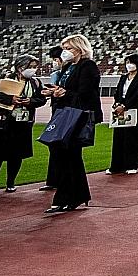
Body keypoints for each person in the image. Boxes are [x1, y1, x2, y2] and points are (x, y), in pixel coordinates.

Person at [42, 33, 104, 214]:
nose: (65, 52)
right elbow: (68, 90)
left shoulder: (88, 66)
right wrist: (54, 92)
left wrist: (64, 93)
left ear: (79, 48)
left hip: (78, 116)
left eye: (68, 48)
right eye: (64, 48)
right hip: (65, 114)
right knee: (65, 156)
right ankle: (75, 195)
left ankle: (67, 197)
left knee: (70, 156)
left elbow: (86, 93)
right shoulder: (68, 67)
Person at [0, 55, 47, 193]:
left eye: (35, 67)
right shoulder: (6, 78)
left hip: (23, 122)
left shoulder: (35, 82)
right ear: (20, 67)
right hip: (1, 122)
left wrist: (30, 101)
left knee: (16, 155)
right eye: (30, 67)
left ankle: (10, 183)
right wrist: (10, 99)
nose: (33, 70)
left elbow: (41, 100)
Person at [106, 53, 138, 176]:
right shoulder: (123, 77)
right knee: (118, 138)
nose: (129, 65)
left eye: (132, 63)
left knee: (133, 138)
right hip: (120, 110)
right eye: (127, 62)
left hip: (134, 110)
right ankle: (116, 166)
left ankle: (132, 164)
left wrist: (125, 106)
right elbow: (118, 92)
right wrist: (117, 104)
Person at [38, 46, 65, 193]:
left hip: (66, 112)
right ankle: (53, 180)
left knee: (62, 146)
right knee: (54, 145)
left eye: (56, 59)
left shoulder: (72, 73)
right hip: (56, 111)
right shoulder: (55, 74)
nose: (55, 62)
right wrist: (49, 93)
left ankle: (63, 179)